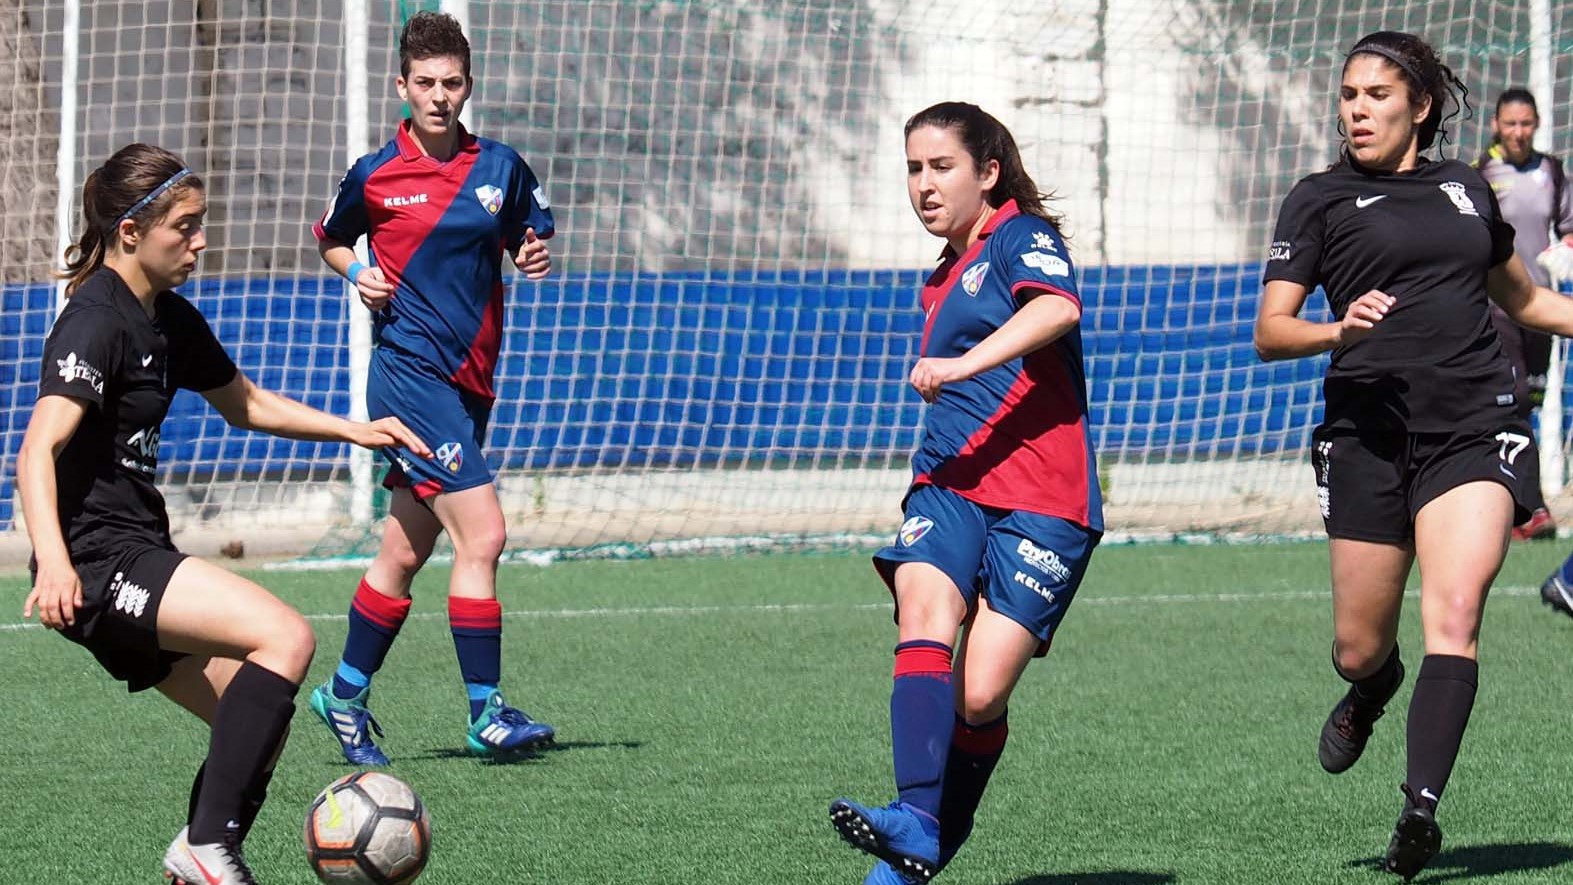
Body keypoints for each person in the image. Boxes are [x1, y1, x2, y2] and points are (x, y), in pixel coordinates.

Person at [17, 143, 430, 885]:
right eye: (186, 225)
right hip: (99, 562)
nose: (201, 241)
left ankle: (195, 862)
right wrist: (51, 558)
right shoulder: (94, 319)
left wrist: (356, 429)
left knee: (253, 722)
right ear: (132, 231)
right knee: (285, 636)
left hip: (133, 550)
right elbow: (35, 450)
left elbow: (246, 405)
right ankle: (207, 849)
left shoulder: (168, 318)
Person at [1255, 30, 1573, 881]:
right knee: (1359, 647)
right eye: (1348, 96)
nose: (1355, 110)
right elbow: (1270, 330)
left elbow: (1526, 299)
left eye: (1375, 96)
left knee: (1455, 611)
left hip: (1474, 420)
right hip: (1365, 434)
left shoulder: (1467, 188)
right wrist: (1337, 326)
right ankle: (1369, 690)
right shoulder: (1317, 199)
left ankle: (1418, 809)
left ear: (1418, 107)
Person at [826, 102, 1103, 885]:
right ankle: (913, 817)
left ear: (987, 172)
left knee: (978, 695)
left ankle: (915, 855)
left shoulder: (1022, 237)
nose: (922, 184)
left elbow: (1056, 307)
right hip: (948, 480)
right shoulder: (940, 274)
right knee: (923, 611)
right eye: (912, 168)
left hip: (1044, 498)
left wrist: (960, 364)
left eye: (940, 166)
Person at [309, 10, 556, 765]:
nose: (439, 96)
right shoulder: (375, 174)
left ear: (468, 86)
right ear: (403, 86)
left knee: (403, 552)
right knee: (483, 534)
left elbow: (526, 231)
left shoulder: (501, 167)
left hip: (471, 380)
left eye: (451, 83)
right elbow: (329, 236)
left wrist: (529, 253)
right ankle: (485, 712)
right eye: (425, 83)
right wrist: (358, 274)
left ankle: (343, 695)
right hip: (410, 377)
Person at [1473, 87, 1573, 541]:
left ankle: (1511, 503)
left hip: (1543, 309)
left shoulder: (1551, 171)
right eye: (1510, 123)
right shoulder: (1480, 173)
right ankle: (1529, 508)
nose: (1518, 132)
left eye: (1526, 123)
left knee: (1525, 406)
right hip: (1494, 307)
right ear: (1496, 125)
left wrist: (1566, 249)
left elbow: (1569, 227)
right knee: (1509, 398)